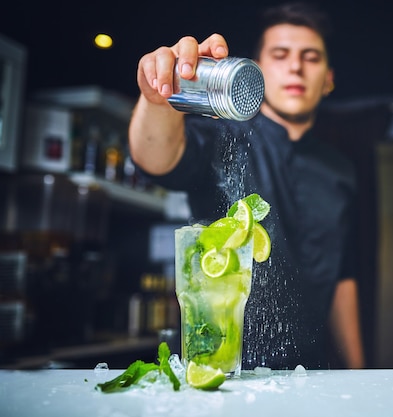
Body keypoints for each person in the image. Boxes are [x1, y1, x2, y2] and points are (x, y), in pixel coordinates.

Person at [128, 2, 365, 370]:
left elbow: (342, 279)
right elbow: (156, 157)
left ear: (329, 78)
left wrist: (358, 374)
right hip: (221, 373)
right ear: (259, 68)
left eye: (311, 57)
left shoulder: (340, 171)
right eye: (280, 54)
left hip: (313, 374)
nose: (296, 67)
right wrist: (158, 99)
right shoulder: (222, 135)